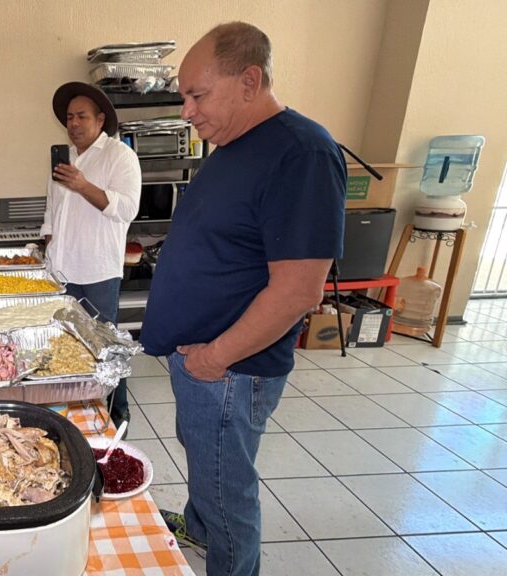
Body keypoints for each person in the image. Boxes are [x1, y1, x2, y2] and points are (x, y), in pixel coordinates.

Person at [141, 22, 346, 576]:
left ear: (249, 81)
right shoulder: (232, 145)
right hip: (203, 360)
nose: (186, 110)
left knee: (228, 491)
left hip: (230, 368)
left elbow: (299, 290)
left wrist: (214, 358)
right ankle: (199, 527)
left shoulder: (302, 154)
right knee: (206, 468)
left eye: (196, 95)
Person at [41, 82, 141, 426]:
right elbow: (52, 208)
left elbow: (127, 209)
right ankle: (78, 410)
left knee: (105, 345)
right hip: (63, 268)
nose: (74, 124)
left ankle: (118, 410)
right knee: (68, 344)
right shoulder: (64, 156)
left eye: (82, 116)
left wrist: (83, 185)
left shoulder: (120, 156)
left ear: (100, 119)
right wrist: (47, 248)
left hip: (98, 269)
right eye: (70, 117)